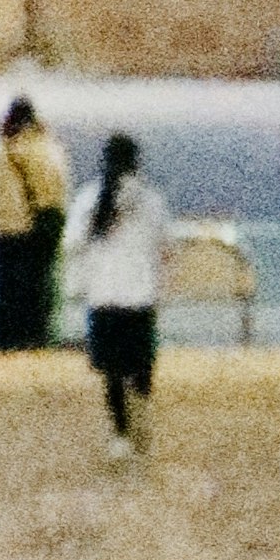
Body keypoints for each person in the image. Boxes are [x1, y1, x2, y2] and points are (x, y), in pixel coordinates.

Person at [71, 129, 168, 456]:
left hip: (103, 295)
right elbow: (164, 244)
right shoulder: (150, 200)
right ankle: (141, 418)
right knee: (140, 364)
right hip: (140, 295)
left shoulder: (89, 199)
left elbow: (71, 243)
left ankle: (120, 433)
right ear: (136, 162)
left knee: (111, 370)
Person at [0, 93, 70, 356]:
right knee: (35, 286)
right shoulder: (47, 149)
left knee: (5, 285)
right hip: (35, 229)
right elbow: (57, 189)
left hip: (3, 229)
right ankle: (34, 336)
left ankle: (5, 338)